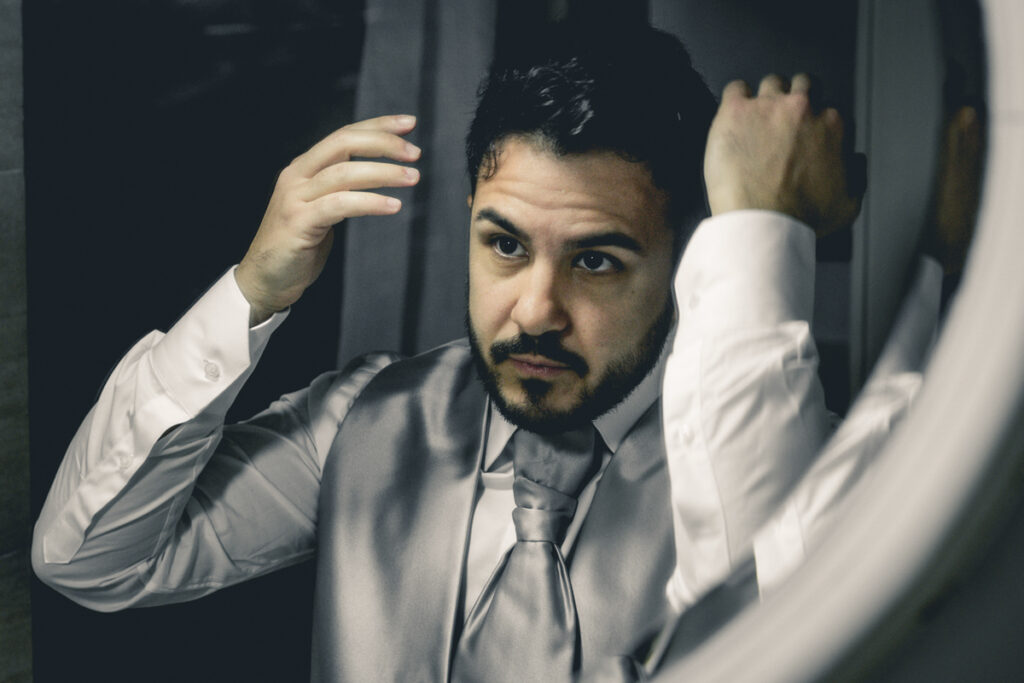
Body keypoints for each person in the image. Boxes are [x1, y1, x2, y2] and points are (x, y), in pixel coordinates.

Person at [31, 22, 932, 682]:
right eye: (504, 245)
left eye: (596, 260)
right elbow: (90, 560)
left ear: (686, 257)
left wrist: (760, 228)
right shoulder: (366, 420)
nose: (535, 310)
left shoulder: (799, 471)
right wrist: (254, 290)